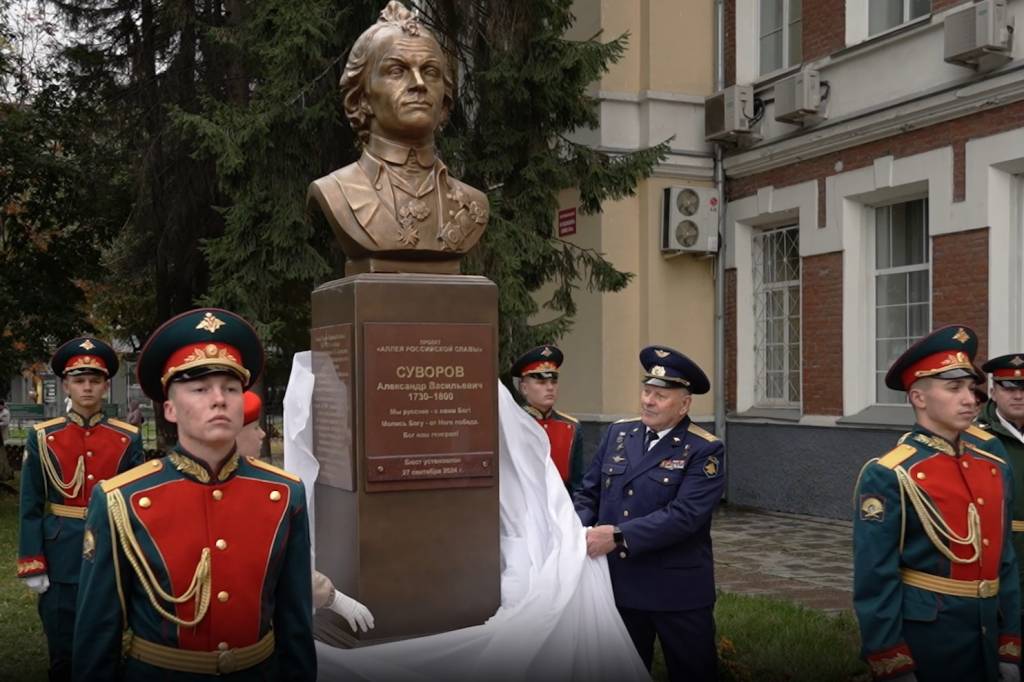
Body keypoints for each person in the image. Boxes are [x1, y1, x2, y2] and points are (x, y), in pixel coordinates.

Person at [72, 308, 315, 681]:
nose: (219, 399)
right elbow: (97, 634)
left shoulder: (284, 493)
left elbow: (295, 622)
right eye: (200, 389)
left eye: (231, 388)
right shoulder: (123, 499)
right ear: (169, 409)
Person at [852, 325, 1021, 682]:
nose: (970, 399)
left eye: (971, 388)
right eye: (953, 388)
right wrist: (892, 663)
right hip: (930, 641)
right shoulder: (891, 473)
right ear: (919, 398)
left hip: (988, 634)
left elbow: (1004, 562)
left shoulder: (994, 467)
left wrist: (1011, 645)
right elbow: (875, 579)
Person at [574, 345, 725, 682]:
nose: (648, 401)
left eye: (660, 395)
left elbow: (685, 515)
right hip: (619, 587)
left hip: (677, 592)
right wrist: (570, 527)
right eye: (646, 391)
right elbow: (589, 493)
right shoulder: (618, 434)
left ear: (684, 404)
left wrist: (617, 536)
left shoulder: (705, 448)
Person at [307, 1, 488, 266]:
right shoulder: (336, 192)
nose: (418, 84)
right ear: (361, 99)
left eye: (430, 72)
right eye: (397, 71)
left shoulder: (473, 204)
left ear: (445, 102)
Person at [17, 336, 145, 682]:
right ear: (66, 385)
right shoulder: (44, 437)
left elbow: (137, 505)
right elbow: (30, 503)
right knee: (63, 650)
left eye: (94, 380)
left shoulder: (126, 437)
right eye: (79, 380)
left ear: (105, 386)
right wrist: (32, 561)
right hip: (61, 556)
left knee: (107, 644)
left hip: (111, 550)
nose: (87, 387)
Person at [237, 389, 375, 635]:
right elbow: (279, 564)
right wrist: (333, 597)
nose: (262, 433)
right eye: (254, 427)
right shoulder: (258, 490)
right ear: (235, 434)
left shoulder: (267, 484)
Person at [975, 353, 1024, 640]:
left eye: (1023, 388)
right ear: (993, 392)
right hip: (1000, 555)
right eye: (1008, 388)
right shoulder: (975, 439)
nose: (1018, 395)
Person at [510, 345, 584, 493]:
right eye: (541, 382)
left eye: (553, 382)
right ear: (524, 388)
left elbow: (578, 484)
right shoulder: (512, 424)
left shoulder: (571, 427)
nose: (550, 388)